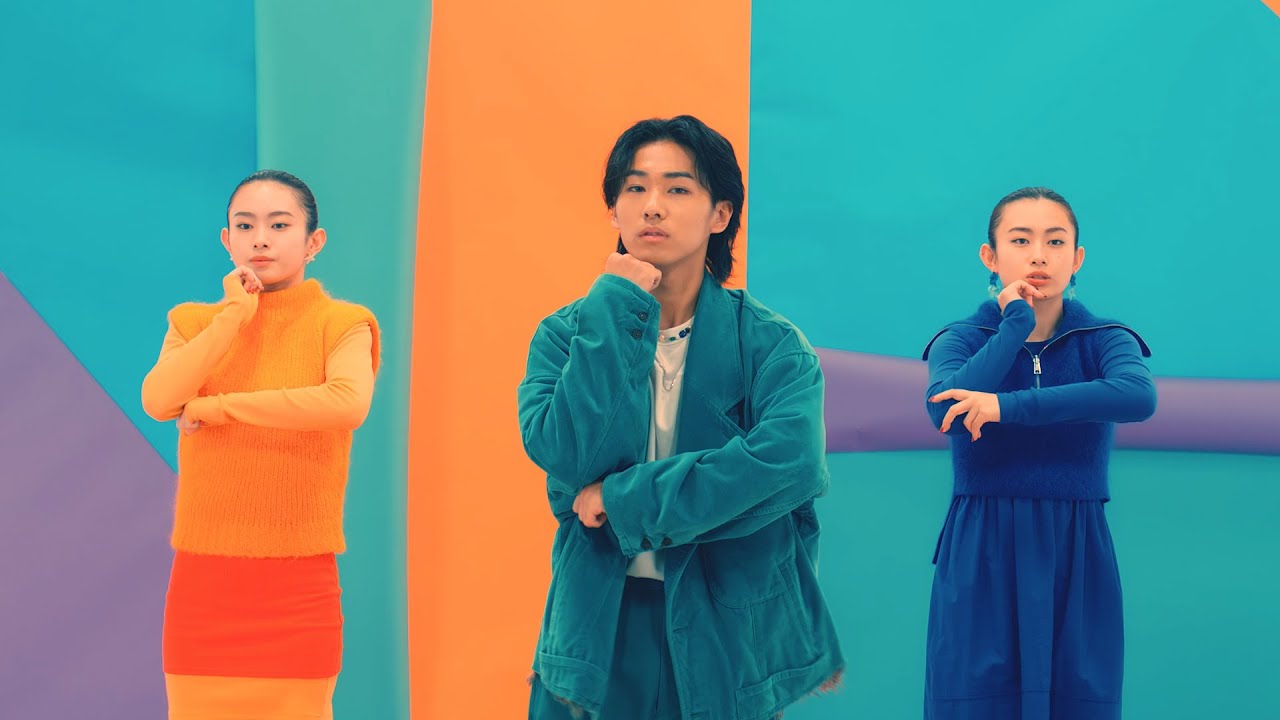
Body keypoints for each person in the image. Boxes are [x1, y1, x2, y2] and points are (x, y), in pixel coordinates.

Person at [518, 115, 843, 720]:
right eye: (635, 188)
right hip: (599, 619)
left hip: (728, 627)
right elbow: (564, 453)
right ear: (614, 211)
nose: (652, 206)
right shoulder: (567, 334)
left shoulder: (771, 344)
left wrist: (624, 500)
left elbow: (790, 465)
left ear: (720, 214)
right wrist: (614, 306)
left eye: (677, 188)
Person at [141, 170, 379, 719]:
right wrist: (233, 317)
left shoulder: (343, 323)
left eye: (279, 225)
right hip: (205, 584)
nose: (261, 239)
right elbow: (159, 399)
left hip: (297, 585)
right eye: (245, 226)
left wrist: (218, 407)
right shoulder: (194, 322)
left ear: (314, 242)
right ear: (227, 240)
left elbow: (346, 403)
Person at [922, 187, 1157, 719]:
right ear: (990, 255)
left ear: (1077, 258)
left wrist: (1006, 407)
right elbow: (945, 412)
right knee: (973, 701)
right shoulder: (961, 338)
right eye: (1020, 240)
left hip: (1077, 546)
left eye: (1055, 241)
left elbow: (1137, 396)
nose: (1038, 256)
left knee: (1078, 701)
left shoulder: (1104, 338)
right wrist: (1014, 326)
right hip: (983, 545)